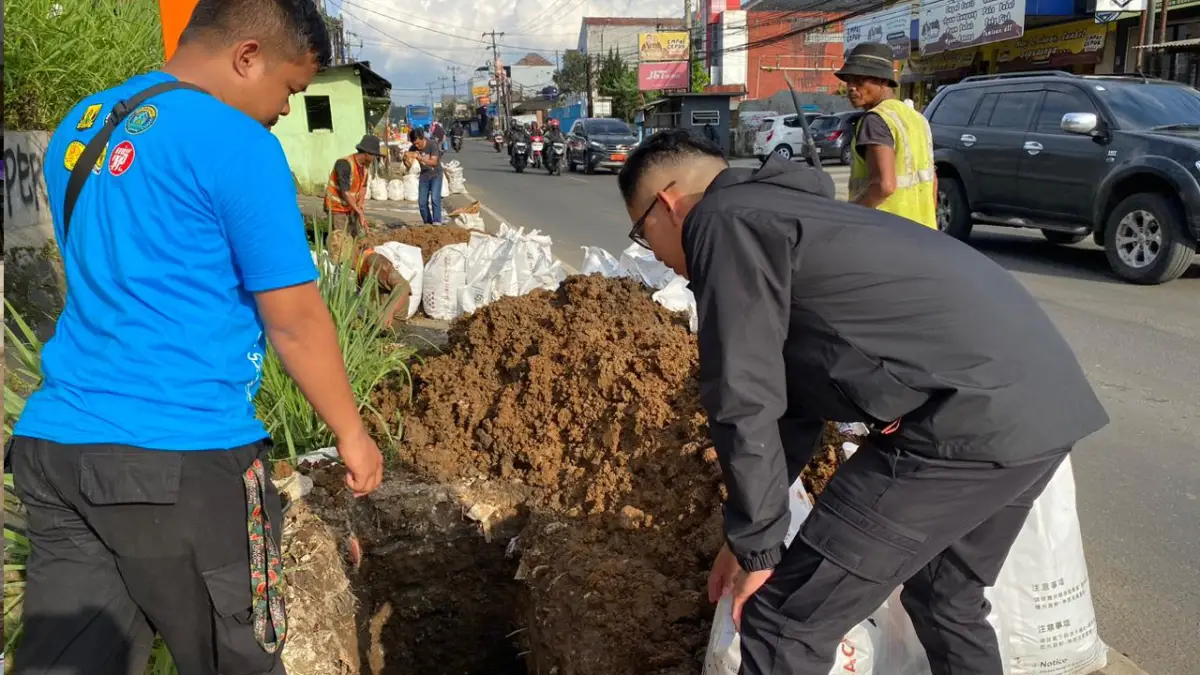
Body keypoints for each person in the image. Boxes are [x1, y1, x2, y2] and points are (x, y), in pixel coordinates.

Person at [616, 130, 1108, 675]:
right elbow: (793, 400)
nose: (657, 257)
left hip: (961, 422)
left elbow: (742, 391)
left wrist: (760, 548)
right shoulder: (788, 215)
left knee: (785, 622)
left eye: (643, 236)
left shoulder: (724, 218)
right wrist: (752, 536)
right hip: (1040, 403)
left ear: (667, 204)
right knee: (943, 597)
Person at [7, 1, 386, 674]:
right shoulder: (236, 144)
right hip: (182, 459)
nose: (285, 110)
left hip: (56, 450)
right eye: (290, 90)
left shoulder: (85, 123)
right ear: (247, 57)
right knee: (238, 656)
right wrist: (352, 436)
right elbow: (294, 319)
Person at [838, 42, 937, 229]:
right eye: (848, 80)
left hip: (886, 234)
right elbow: (933, 181)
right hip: (923, 234)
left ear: (882, 80)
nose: (851, 87)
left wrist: (847, 217)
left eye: (859, 80)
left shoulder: (875, 120)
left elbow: (884, 186)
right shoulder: (918, 119)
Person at [324, 134, 383, 236]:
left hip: (350, 207)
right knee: (341, 240)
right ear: (367, 153)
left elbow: (363, 186)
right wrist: (359, 212)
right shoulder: (344, 164)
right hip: (336, 207)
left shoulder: (365, 167)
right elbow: (345, 192)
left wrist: (360, 205)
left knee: (353, 238)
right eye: (374, 155)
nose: (375, 158)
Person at [407, 134, 443, 224]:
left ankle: (437, 222)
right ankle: (428, 223)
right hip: (423, 176)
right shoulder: (413, 148)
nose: (417, 146)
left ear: (422, 138)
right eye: (414, 144)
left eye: (418, 143)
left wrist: (421, 158)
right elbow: (408, 161)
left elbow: (434, 162)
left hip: (435, 174)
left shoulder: (432, 145)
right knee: (422, 203)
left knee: (435, 198)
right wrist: (407, 158)